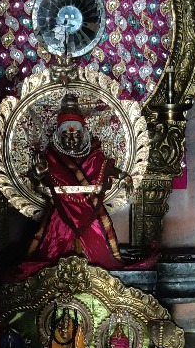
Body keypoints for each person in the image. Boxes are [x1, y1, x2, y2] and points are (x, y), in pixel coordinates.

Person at [18, 91, 126, 273]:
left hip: (90, 213)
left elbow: (107, 168)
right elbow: (39, 187)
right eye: (66, 136)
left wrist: (124, 176)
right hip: (60, 214)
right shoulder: (50, 158)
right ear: (59, 136)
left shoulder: (94, 156)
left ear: (83, 135)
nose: (71, 140)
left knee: (99, 259)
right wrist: (37, 175)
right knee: (52, 259)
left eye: (75, 135)